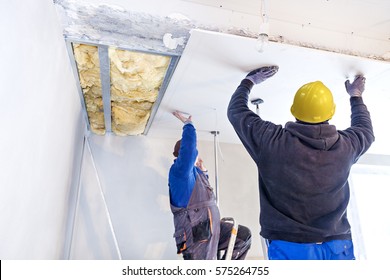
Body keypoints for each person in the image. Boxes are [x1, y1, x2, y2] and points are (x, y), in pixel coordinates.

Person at [227, 66, 375, 260]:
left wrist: (249, 81)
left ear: (294, 111)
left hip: (291, 245)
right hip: (338, 245)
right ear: (330, 113)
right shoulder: (346, 146)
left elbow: (236, 111)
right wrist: (356, 95)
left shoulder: (272, 141)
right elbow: (365, 130)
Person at [168, 111, 252, 260]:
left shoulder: (194, 174)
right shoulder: (179, 173)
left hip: (211, 228)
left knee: (243, 236)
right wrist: (188, 126)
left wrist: (204, 172)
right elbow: (188, 151)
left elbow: (203, 196)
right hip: (197, 235)